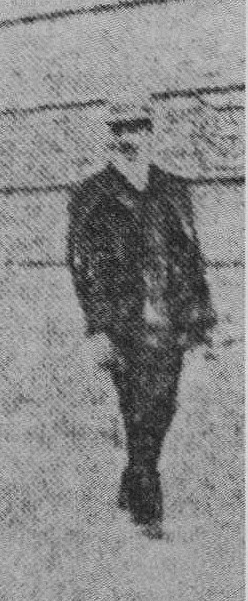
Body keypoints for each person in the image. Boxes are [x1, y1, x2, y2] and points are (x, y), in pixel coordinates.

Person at [67, 96, 216, 539]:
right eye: (119, 130)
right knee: (137, 409)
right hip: (123, 326)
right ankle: (148, 509)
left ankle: (133, 478)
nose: (128, 138)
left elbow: (191, 259)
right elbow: (82, 267)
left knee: (163, 408)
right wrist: (96, 328)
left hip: (169, 324)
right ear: (110, 137)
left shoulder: (173, 190)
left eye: (136, 128)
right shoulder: (91, 195)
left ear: (150, 132)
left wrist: (202, 324)